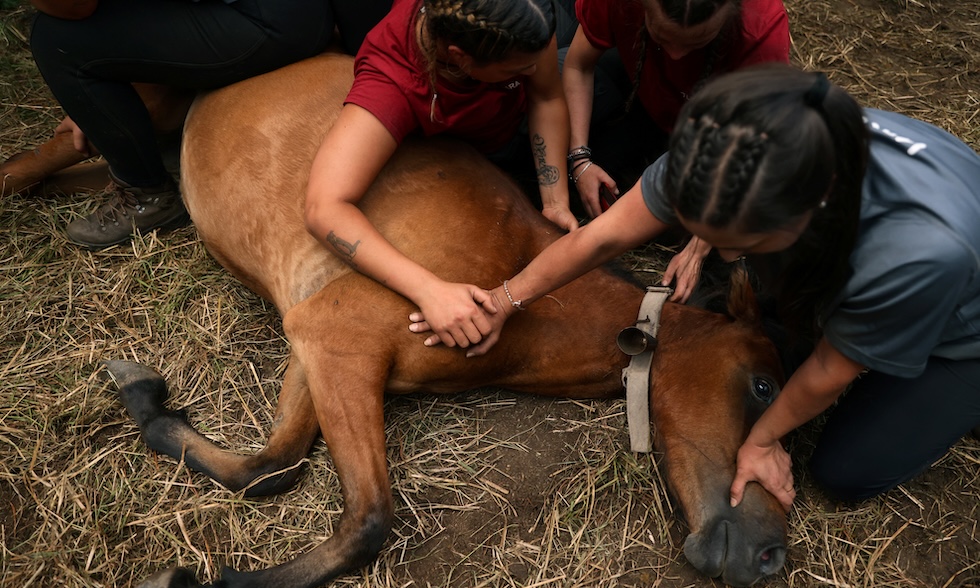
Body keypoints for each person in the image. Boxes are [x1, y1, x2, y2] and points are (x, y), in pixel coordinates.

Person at [410, 64, 980, 509]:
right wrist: (508, 299)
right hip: (857, 249)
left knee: (843, 471)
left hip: (961, 329)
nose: (724, 256)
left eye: (737, 242)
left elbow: (833, 369)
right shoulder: (731, 145)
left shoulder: (914, 254)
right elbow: (602, 238)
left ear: (801, 213)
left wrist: (762, 442)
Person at [305, 0, 577, 350]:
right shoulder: (392, 83)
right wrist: (429, 290)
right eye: (520, 68)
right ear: (459, 56)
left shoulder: (523, 19)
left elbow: (546, 94)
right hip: (481, 151)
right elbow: (323, 208)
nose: (531, 71)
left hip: (511, 124)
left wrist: (554, 199)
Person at [30, 0, 392, 249]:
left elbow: (75, 7)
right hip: (307, 10)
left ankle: (148, 195)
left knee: (55, 38)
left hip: (266, 20)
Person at [561, 0, 789, 218]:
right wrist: (580, 160)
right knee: (553, 142)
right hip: (640, 92)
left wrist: (703, 240)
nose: (676, 55)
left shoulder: (760, 29)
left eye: (697, 42)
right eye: (661, 36)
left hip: (713, 136)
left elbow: (755, 142)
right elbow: (578, 67)